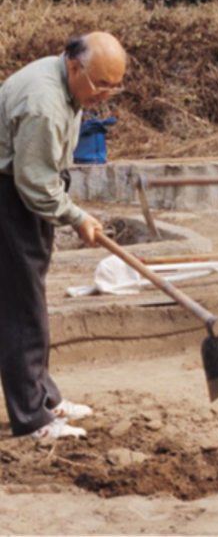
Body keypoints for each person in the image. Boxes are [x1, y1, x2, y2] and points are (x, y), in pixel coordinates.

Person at [0, 32, 126, 438]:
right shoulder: (45, 103)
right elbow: (33, 181)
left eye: (114, 85)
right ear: (75, 67)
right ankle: (32, 418)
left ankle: (45, 396)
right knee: (22, 306)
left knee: (28, 295)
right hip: (11, 193)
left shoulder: (66, 85)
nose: (106, 94)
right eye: (101, 83)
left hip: (22, 189)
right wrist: (75, 217)